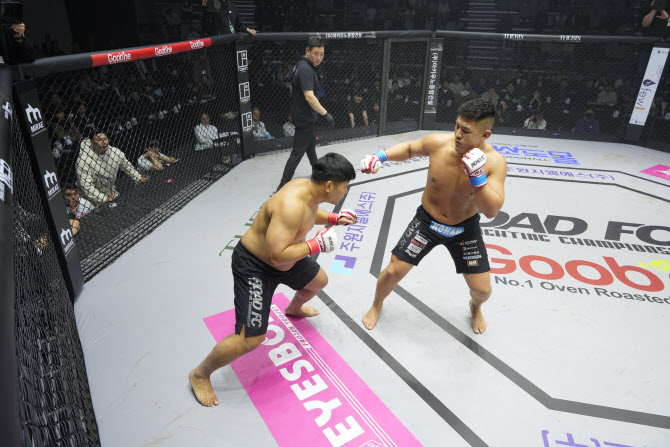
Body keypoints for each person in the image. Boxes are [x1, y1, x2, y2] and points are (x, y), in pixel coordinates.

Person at [189, 153, 357, 407]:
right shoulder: (291, 205)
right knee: (251, 339)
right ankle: (200, 374)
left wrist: (334, 218)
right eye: (344, 187)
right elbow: (276, 256)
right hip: (256, 266)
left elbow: (310, 215)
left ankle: (293, 308)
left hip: (287, 257)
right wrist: (315, 244)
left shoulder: (309, 192)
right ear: (329, 185)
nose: (345, 192)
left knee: (319, 281)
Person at [359, 99, 506, 334]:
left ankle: (475, 307)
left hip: (464, 229)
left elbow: (491, 211)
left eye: (466, 131)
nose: (457, 134)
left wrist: (478, 178)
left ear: (485, 135)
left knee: (482, 290)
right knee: (393, 272)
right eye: (456, 126)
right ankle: (377, 305)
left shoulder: (495, 163)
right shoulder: (438, 143)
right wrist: (380, 156)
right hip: (427, 222)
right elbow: (409, 149)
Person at [277, 37, 335, 191]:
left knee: (311, 149)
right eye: (316, 53)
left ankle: (319, 176)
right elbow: (309, 96)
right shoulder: (306, 69)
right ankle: (281, 187)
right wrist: (325, 114)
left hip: (302, 115)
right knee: (297, 153)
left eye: (322, 54)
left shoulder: (301, 64)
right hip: (305, 117)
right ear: (307, 51)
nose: (319, 58)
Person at [75, 133, 149, 206]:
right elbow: (87, 186)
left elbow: (126, 166)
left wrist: (138, 177)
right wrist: (104, 198)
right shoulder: (83, 161)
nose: (104, 142)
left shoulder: (115, 152)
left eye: (105, 139)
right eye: (100, 140)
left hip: (110, 192)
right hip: (89, 200)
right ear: (92, 143)